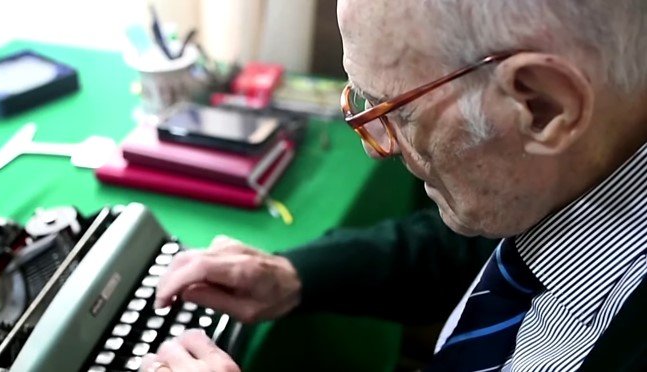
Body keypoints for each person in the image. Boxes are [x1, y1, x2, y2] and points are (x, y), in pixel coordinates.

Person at [140, 0, 647, 370]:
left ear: (544, 107)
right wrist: (296, 275)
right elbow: (475, 254)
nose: (373, 145)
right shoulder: (576, 175)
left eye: (397, 110)